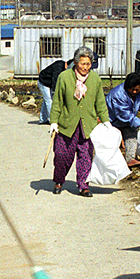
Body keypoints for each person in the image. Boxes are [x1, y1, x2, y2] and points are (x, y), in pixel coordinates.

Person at [49, 46, 110, 197]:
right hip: (67, 124)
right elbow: (57, 101)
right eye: (82, 64)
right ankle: (58, 180)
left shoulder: (95, 79)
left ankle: (83, 185)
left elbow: (100, 102)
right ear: (76, 62)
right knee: (62, 155)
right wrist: (54, 122)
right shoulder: (64, 77)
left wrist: (106, 121)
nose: (85, 67)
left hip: (87, 126)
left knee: (86, 156)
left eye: (88, 64)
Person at [106, 71, 140, 168]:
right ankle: (110, 163)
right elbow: (123, 113)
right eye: (132, 89)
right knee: (111, 143)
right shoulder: (118, 94)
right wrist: (139, 123)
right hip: (113, 120)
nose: (134, 92)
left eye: (137, 90)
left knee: (131, 135)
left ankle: (130, 159)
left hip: (127, 121)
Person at [36, 58, 69, 125]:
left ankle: (42, 119)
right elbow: (55, 80)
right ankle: (53, 120)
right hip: (43, 82)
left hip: (48, 84)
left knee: (46, 101)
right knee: (49, 101)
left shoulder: (62, 67)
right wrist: (55, 91)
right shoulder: (59, 67)